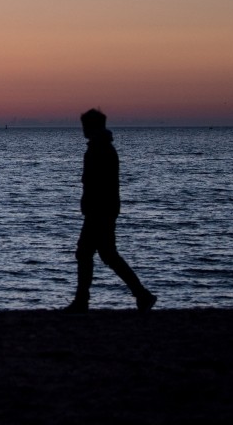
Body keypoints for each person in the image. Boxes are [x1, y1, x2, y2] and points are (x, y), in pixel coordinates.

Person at [63, 109, 156, 313]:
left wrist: (91, 205)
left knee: (87, 253)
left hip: (100, 210)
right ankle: (141, 294)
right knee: (106, 254)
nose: (83, 130)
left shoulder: (100, 149)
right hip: (103, 209)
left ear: (92, 126)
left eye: (85, 126)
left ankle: (83, 301)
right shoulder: (102, 148)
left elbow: (97, 183)